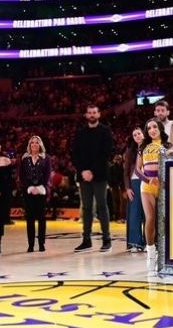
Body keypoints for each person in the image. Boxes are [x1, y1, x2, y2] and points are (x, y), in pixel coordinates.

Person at [72, 104, 114, 253]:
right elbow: (75, 154)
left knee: (102, 206)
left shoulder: (105, 131)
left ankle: (106, 239)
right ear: (86, 115)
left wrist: (92, 171)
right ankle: (86, 240)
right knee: (86, 207)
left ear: (99, 114)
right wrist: (83, 171)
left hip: (100, 175)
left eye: (94, 112)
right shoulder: (80, 132)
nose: (91, 115)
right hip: (84, 176)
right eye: (89, 113)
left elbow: (106, 153)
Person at [137, 118, 173, 276]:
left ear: (160, 128)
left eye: (154, 127)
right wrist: (148, 180)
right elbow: (138, 169)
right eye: (149, 127)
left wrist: (163, 179)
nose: (151, 130)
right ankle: (151, 253)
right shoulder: (143, 146)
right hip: (147, 187)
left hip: (164, 186)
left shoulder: (167, 146)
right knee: (150, 218)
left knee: (163, 220)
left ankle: (163, 252)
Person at [19, 136, 52, 252]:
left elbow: (47, 174)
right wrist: (30, 187)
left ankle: (41, 243)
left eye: (36, 143)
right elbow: (21, 175)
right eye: (32, 143)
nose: (34, 145)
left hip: (41, 191)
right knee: (30, 218)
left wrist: (39, 187)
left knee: (41, 218)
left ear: (40, 145)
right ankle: (31, 244)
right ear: (29, 145)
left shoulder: (46, 158)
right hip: (28, 191)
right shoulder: (24, 158)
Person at [123, 126, 147, 253]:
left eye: (139, 133)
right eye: (135, 135)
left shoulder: (150, 148)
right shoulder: (130, 152)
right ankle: (135, 242)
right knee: (134, 214)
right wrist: (127, 188)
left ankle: (149, 243)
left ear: (143, 134)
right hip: (134, 183)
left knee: (148, 214)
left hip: (148, 182)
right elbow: (126, 172)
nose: (137, 136)